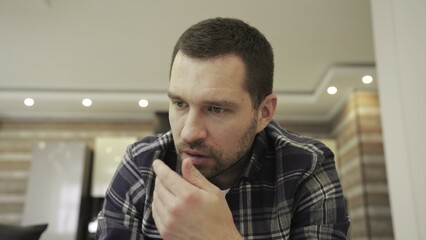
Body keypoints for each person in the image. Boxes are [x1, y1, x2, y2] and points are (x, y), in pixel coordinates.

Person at [96, 17, 350, 239]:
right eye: (180, 103)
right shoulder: (141, 166)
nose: (189, 133)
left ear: (264, 113)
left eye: (216, 109)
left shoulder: (306, 166)